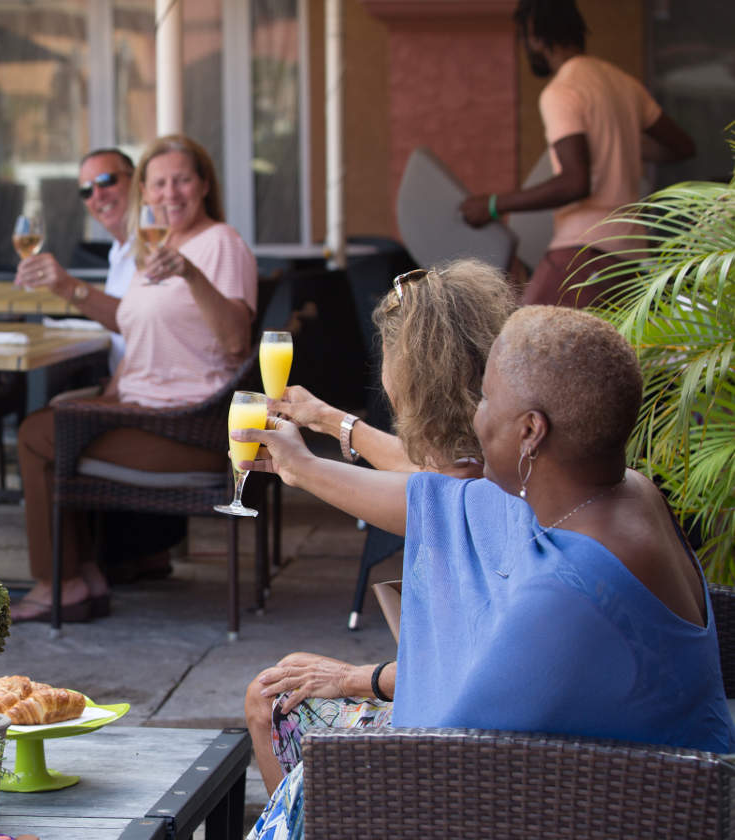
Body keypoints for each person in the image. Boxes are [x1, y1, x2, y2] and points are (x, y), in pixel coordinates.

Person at [238, 306, 735, 840]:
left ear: (530, 431)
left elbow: (440, 758)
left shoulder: (570, 597)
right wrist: (302, 466)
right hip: (582, 778)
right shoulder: (618, 493)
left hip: (599, 808)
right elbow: (442, 502)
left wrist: (356, 682)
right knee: (280, 697)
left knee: (299, 742)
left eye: (488, 399)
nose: (476, 416)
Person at [243, 259, 517, 794]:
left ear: (412, 377)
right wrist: (331, 421)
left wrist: (355, 678)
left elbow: (429, 496)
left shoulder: (463, 501)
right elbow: (431, 477)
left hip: (463, 754)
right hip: (491, 733)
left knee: (270, 699)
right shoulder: (502, 458)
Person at [11, 134, 258, 622]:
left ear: (204, 184)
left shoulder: (220, 244)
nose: (171, 194)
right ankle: (84, 572)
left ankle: (61, 582)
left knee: (37, 434)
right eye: (159, 184)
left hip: (193, 425)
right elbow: (131, 322)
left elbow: (234, 341)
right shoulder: (159, 246)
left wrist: (191, 274)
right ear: (145, 194)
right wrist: (66, 286)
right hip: (144, 410)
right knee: (53, 419)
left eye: (182, 180)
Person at [459, 0, 694, 308]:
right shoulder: (623, 83)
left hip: (585, 248)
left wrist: (491, 205)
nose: (526, 47)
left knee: (527, 341)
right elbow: (681, 147)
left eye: (524, 39)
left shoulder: (562, 91)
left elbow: (574, 183)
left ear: (536, 35)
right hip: (631, 255)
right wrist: (624, 147)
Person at [16, 147, 136, 372]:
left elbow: (136, 322)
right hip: (122, 385)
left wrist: (67, 286)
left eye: (106, 180)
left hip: (146, 397)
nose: (98, 195)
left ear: (137, 181)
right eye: (86, 191)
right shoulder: (119, 249)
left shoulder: (153, 244)